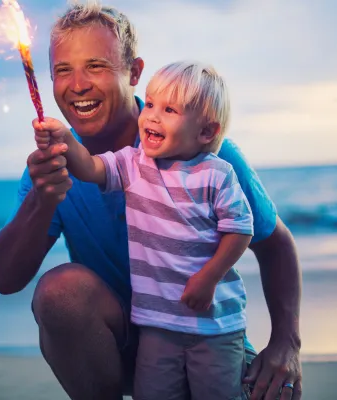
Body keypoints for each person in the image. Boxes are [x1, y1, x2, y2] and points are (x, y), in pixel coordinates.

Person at [0, 2, 302, 400]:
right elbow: (5, 278)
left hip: (204, 337)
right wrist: (43, 200)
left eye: (96, 66)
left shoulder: (206, 155)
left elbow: (275, 244)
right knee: (60, 292)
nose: (78, 84)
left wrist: (285, 345)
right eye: (63, 70)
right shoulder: (53, 168)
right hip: (120, 344)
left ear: (134, 72)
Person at [34, 60, 254, 400]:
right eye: (149, 104)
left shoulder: (217, 173)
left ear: (206, 132)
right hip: (156, 324)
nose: (151, 116)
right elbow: (90, 167)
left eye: (169, 110)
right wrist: (63, 137)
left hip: (214, 327)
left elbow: (240, 230)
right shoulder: (133, 163)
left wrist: (209, 276)